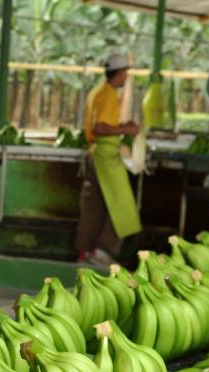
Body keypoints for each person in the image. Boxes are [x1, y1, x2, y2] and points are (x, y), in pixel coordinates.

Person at [76, 54, 142, 266]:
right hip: (105, 156)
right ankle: (102, 250)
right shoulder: (110, 94)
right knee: (121, 204)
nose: (126, 77)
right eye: (126, 73)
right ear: (120, 72)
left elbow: (100, 123)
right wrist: (127, 129)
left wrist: (121, 124)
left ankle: (85, 252)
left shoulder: (98, 91)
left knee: (93, 207)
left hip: (95, 154)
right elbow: (100, 128)